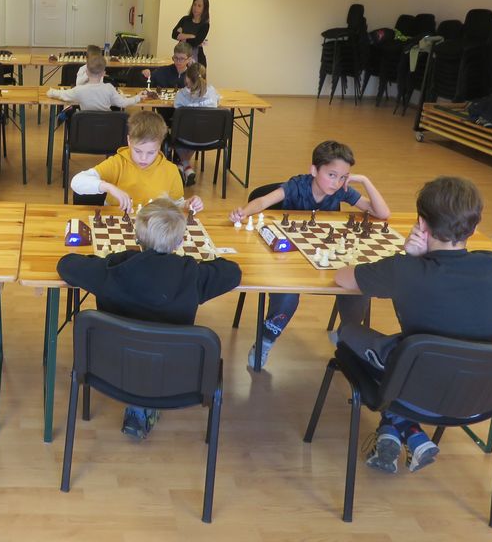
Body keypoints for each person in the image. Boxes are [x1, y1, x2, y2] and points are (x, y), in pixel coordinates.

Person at [334, 176, 492, 474]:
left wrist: (411, 258)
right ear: (474, 226)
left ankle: (401, 422)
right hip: (481, 396)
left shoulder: (405, 270)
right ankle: (405, 431)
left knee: (346, 334)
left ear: (421, 224)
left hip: (420, 392)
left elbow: (342, 278)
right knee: (411, 353)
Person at [57, 197, 241, 439]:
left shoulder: (113, 269)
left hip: (109, 367)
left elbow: (66, 264)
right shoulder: (192, 275)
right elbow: (232, 272)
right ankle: (145, 406)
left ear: (137, 237)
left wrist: (103, 262)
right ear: (179, 242)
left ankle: (139, 406)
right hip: (174, 373)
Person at [228, 140, 390, 368]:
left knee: (359, 284)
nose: (337, 182)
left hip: (325, 259)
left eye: (343, 177)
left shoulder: (341, 191)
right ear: (314, 170)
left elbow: (382, 213)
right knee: (288, 297)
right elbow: (264, 201)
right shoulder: (297, 186)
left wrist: (364, 180)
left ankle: (346, 336)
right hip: (289, 261)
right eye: (331, 175)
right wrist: (243, 212)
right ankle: (265, 341)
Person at [70, 110, 204, 214]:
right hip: (118, 223)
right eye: (138, 151)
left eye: (151, 152)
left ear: (160, 145)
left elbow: (176, 204)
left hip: (152, 229)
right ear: (129, 141)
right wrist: (108, 187)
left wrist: (187, 204)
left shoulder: (171, 170)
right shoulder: (118, 163)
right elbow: (76, 182)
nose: (143, 158)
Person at [172, 63, 221, 186]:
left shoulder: (181, 94)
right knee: (196, 130)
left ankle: (183, 164)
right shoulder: (212, 91)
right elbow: (218, 101)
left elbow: (176, 110)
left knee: (175, 131)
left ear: (187, 78)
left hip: (187, 138)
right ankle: (186, 167)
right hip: (210, 138)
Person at [47, 55, 149, 111]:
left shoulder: (79, 90)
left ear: (86, 72)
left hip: (86, 132)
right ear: (103, 73)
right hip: (106, 132)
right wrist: (138, 97)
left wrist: (51, 92)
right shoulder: (109, 88)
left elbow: (62, 95)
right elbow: (123, 103)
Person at [171, 0, 210, 68]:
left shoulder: (205, 24)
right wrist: (191, 36)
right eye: (194, 4)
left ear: (204, 8)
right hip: (181, 56)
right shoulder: (185, 19)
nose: (195, 8)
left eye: (199, 6)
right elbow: (174, 34)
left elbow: (196, 42)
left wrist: (182, 36)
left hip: (197, 58)